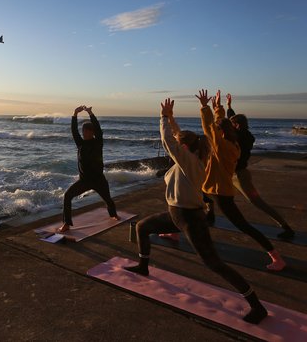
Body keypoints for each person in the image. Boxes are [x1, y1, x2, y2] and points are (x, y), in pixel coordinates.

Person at [124, 98, 267, 324]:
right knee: (143, 226)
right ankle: (143, 266)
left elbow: (168, 141)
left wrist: (162, 118)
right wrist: (171, 118)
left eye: (181, 144)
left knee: (214, 263)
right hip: (176, 215)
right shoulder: (193, 156)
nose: (178, 144)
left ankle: (257, 306)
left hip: (190, 219)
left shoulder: (191, 162)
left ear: (185, 147)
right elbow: (179, 137)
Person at [197, 89, 285, 271]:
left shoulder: (223, 147)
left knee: (243, 225)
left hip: (220, 192)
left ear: (222, 133)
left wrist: (205, 107)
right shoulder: (231, 142)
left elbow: (209, 127)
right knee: (192, 206)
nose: (216, 131)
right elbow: (217, 124)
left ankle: (276, 257)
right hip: (211, 188)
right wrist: (219, 107)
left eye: (218, 130)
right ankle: (181, 230)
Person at [226, 93, 295, 239]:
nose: (230, 128)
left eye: (232, 125)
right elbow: (232, 121)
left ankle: (286, 227)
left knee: (256, 201)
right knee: (208, 191)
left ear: (237, 126)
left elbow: (230, 129)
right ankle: (209, 213)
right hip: (231, 173)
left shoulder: (242, 138)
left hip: (239, 175)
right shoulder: (244, 133)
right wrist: (229, 106)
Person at [58, 105, 118, 233]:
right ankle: (67, 224)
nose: (84, 133)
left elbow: (98, 128)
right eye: (83, 130)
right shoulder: (80, 143)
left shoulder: (98, 142)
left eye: (86, 131)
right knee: (67, 196)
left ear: (92, 132)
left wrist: (91, 113)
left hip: (98, 180)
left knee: (108, 200)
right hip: (84, 181)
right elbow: (74, 131)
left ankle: (114, 215)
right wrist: (74, 114)